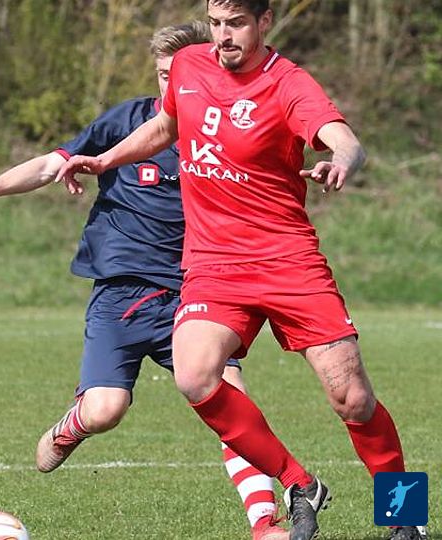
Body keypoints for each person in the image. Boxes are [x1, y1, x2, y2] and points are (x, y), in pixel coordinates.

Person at [56, 2, 422, 540]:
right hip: (214, 263)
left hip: (287, 259)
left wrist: (341, 160)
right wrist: (106, 160)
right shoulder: (189, 65)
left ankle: (406, 516)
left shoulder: (289, 83)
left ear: (264, 21)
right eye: (216, 23)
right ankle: (299, 483)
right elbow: (167, 126)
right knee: (194, 375)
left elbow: (345, 139)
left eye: (237, 24)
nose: (223, 36)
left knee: (353, 398)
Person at [0, 22, 288, 540]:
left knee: (246, 403)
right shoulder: (127, 122)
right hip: (122, 294)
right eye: (163, 74)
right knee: (105, 409)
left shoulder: (227, 132)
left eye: (181, 73)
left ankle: (268, 524)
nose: (172, 84)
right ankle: (71, 426)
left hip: (195, 294)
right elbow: (51, 164)